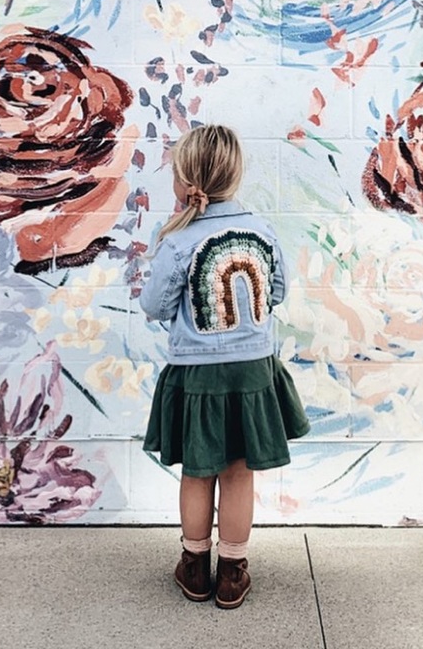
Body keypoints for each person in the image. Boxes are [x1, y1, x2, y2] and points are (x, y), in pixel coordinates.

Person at [141, 124, 310, 609]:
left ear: (184, 181)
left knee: (199, 471)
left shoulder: (177, 239)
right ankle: (233, 571)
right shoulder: (262, 231)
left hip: (197, 375)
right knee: (239, 471)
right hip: (253, 372)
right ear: (234, 176)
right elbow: (276, 294)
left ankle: (195, 566)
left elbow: (154, 306)